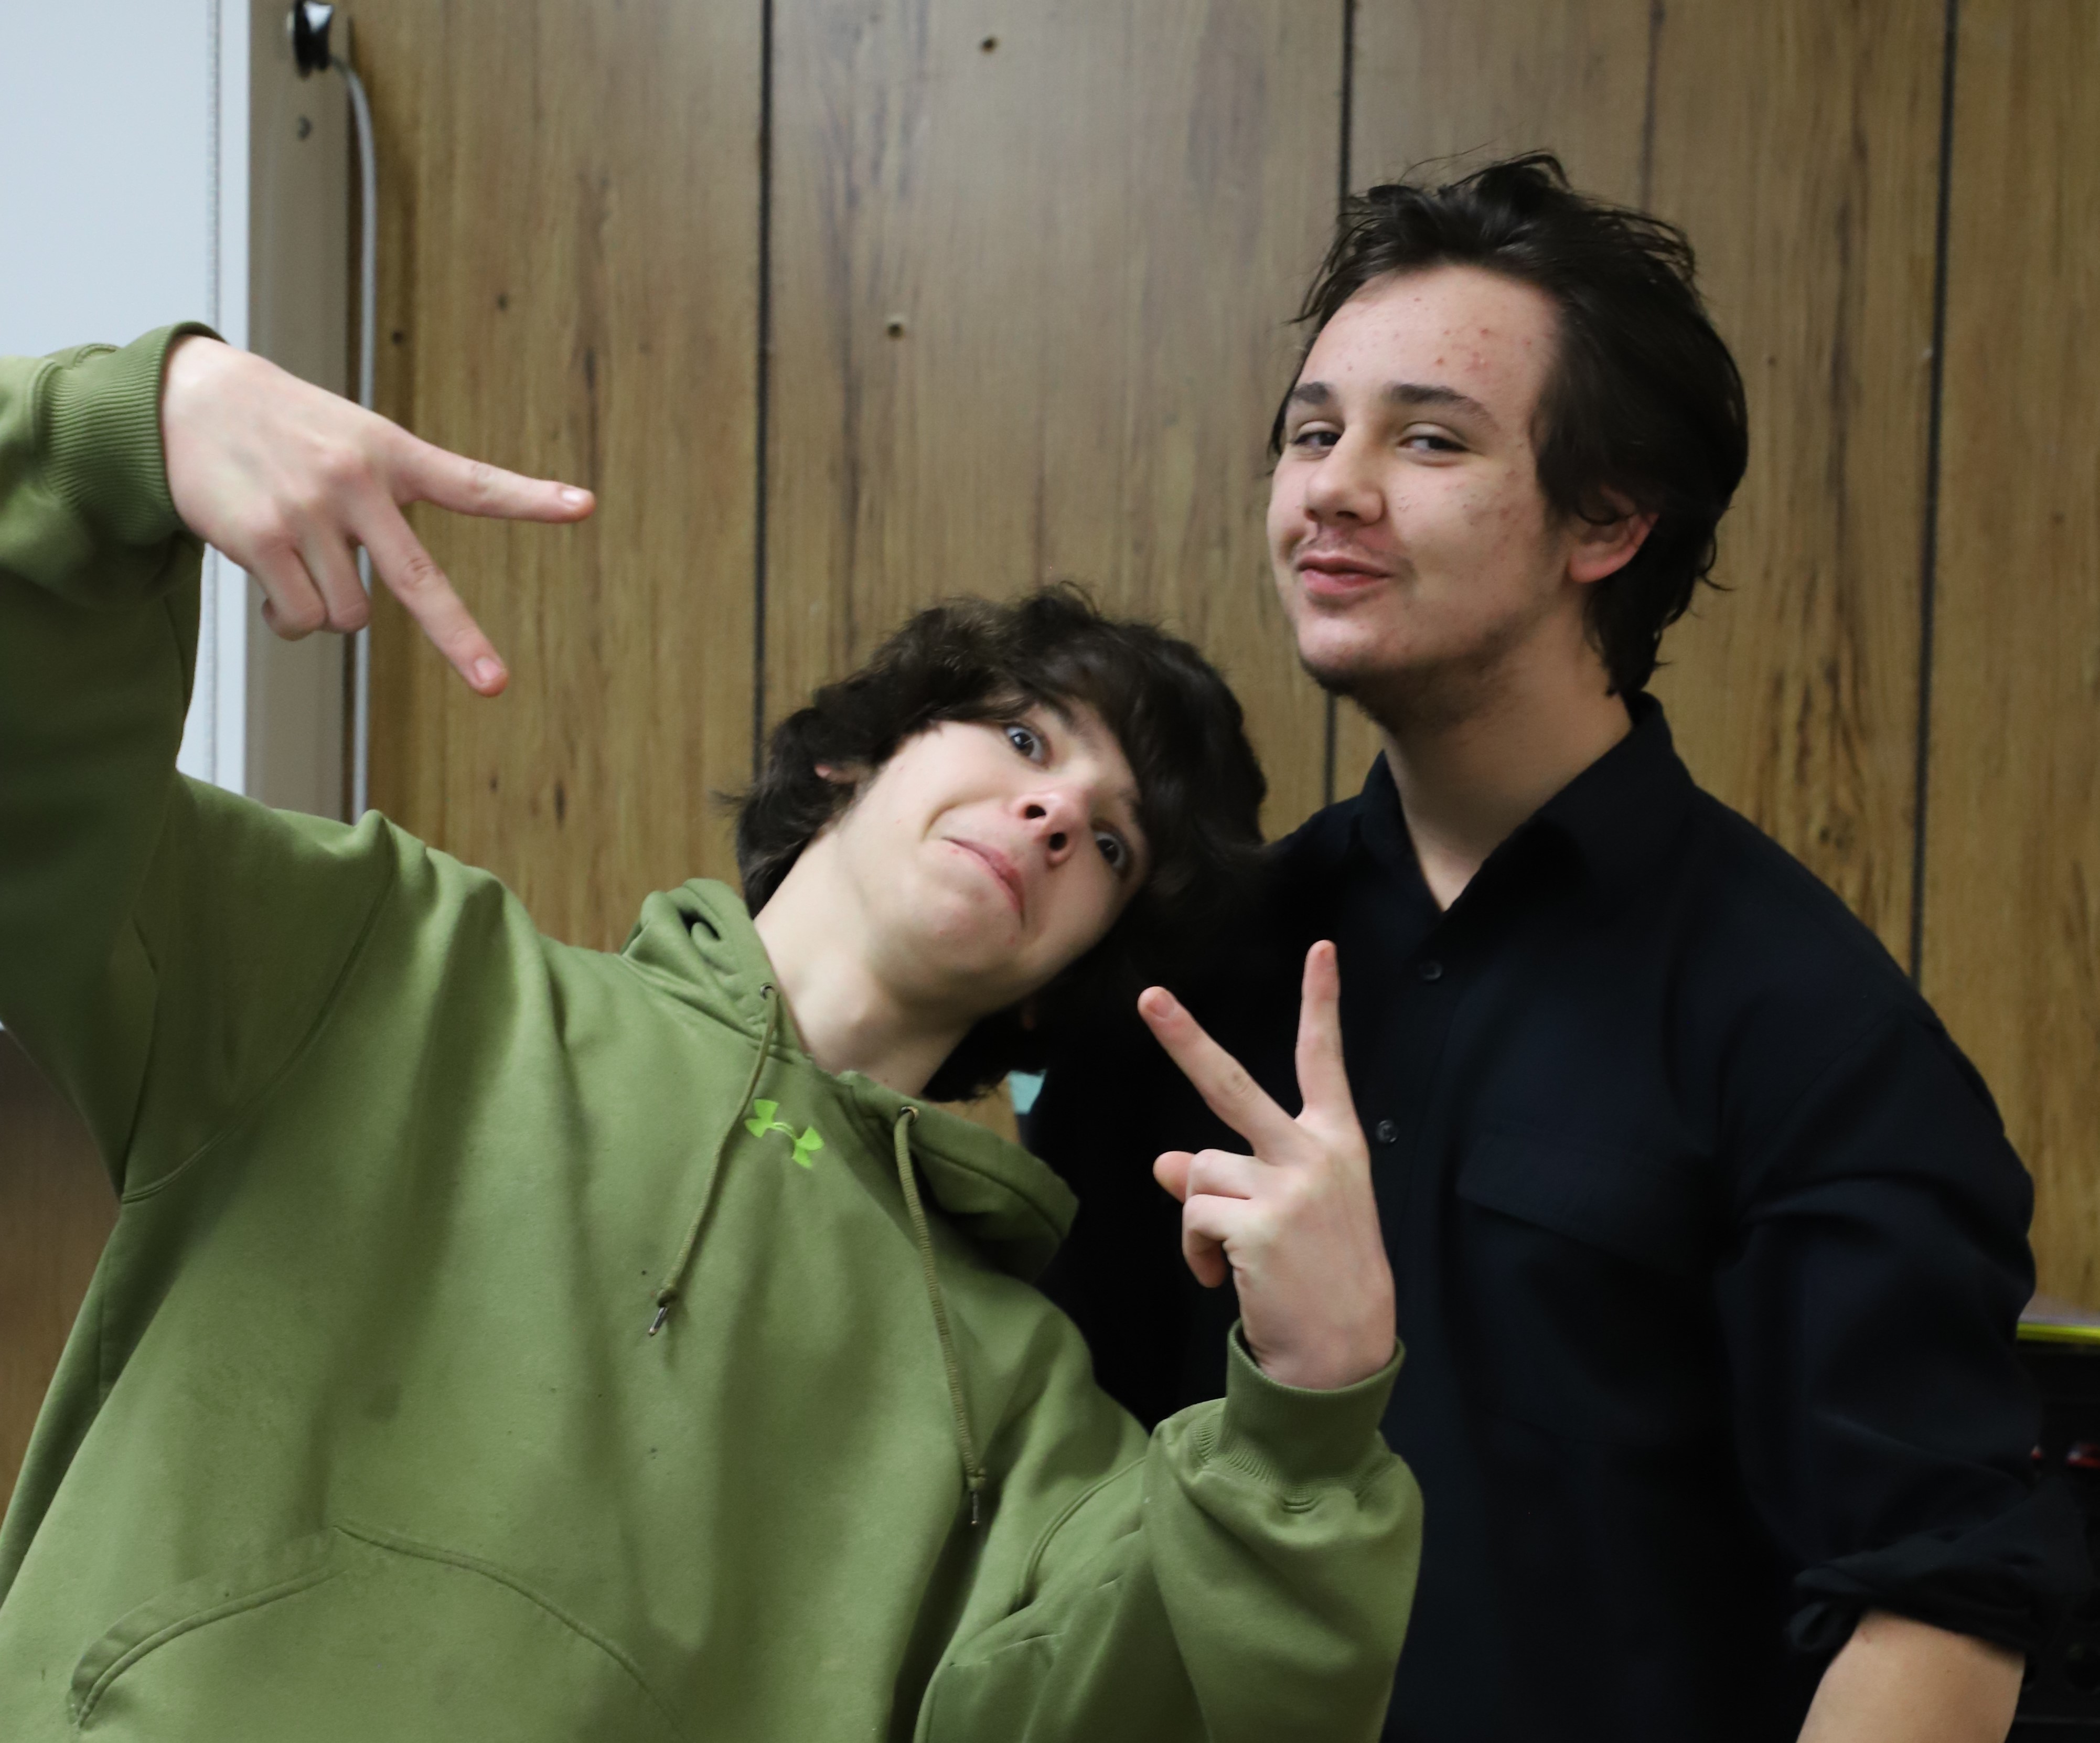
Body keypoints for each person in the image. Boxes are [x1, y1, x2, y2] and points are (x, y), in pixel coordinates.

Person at [0, 326, 1423, 1741]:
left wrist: (1311, 1410)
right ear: (849, 759)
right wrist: (134, 427)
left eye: (1112, 844)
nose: (1055, 813)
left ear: (1066, 984)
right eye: (1025, 739)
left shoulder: (1021, 1409)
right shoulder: (387, 967)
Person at [1032, 154, 2089, 1742]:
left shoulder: (1805, 1021)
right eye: (1312, 432)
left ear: (1607, 519)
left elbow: (1934, 1600)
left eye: (1428, 439)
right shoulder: (1196, 965)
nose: (1332, 487)